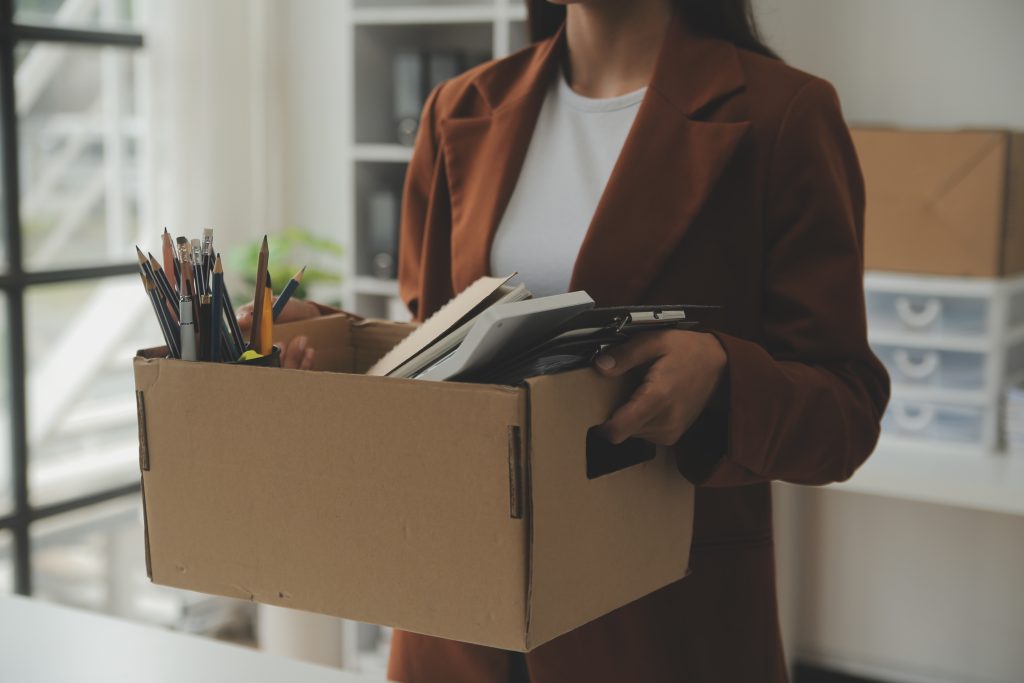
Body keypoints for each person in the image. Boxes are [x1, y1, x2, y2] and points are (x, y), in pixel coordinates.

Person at [240, 0, 890, 680]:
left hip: (658, 628)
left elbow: (845, 410)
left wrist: (721, 376)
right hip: (457, 609)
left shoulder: (785, 115)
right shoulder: (459, 108)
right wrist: (327, 335)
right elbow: (439, 344)